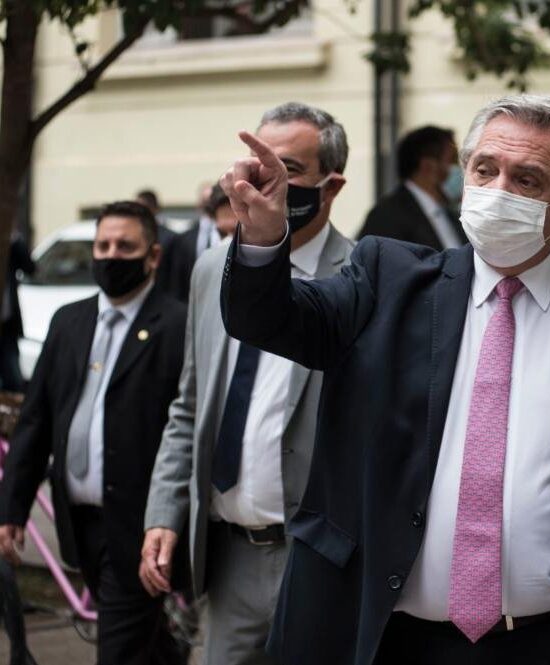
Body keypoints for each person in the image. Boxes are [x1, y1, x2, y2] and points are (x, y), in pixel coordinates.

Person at [220, 95, 550, 665]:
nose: (497, 191)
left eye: (526, 179)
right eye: (483, 169)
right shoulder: (387, 279)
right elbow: (271, 320)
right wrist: (262, 240)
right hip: (385, 637)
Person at [141, 102, 355, 665]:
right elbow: (190, 406)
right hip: (227, 555)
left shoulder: (361, 280)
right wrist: (165, 512)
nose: (267, 181)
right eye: (258, 164)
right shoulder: (213, 268)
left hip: (315, 556)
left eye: (287, 167)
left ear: (330, 186)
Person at [0, 201, 187, 665]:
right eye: (102, 245)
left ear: (153, 257)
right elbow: (37, 421)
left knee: (120, 648)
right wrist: (13, 509)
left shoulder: (178, 326)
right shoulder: (69, 321)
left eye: (125, 246)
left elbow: (187, 430)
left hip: (141, 527)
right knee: (145, 641)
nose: (110, 254)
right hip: (80, 524)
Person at [358, 125, 467, 250]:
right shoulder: (387, 215)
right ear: (428, 167)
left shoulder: (452, 216)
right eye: (452, 160)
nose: (460, 170)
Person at [164, 183, 228, 302]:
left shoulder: (233, 232)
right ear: (199, 203)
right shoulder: (183, 238)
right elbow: (176, 280)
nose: (208, 204)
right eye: (205, 200)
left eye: (211, 200)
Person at [0, 234, 35, 391]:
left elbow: (30, 268)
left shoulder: (11, 244)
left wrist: (14, 239)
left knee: (14, 381)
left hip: (6, 326)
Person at [135, 188, 180, 296]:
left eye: (143, 208)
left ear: (154, 209)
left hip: (163, 295)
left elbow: (176, 275)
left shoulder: (170, 237)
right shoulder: (134, 234)